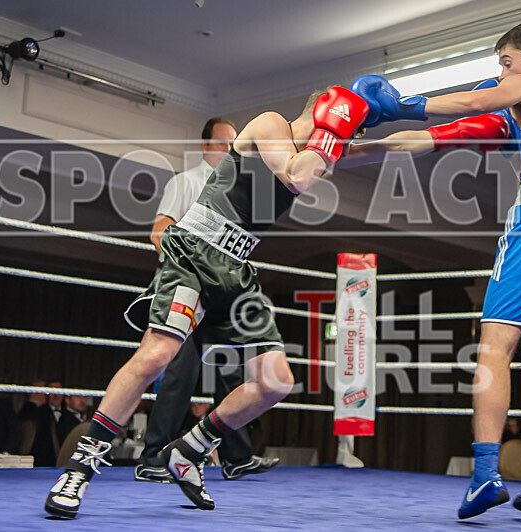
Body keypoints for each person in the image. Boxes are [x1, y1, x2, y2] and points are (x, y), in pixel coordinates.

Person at [44, 86, 370, 519]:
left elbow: (371, 154)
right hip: (194, 253)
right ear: (325, 112)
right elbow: (294, 175)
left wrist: (438, 128)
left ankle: (191, 450)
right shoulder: (272, 124)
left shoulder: (319, 153)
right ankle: (78, 469)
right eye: (344, 129)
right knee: (156, 356)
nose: (343, 141)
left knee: (275, 382)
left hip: (237, 269)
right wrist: (331, 134)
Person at [351, 22, 521, 517]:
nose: (501, 76)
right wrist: (359, 150)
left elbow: (467, 107)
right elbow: (479, 144)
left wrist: (397, 104)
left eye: (505, 63)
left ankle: (486, 475)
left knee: (493, 347)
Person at [136, 116, 278, 484]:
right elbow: (160, 231)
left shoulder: (239, 185)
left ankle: (236, 456)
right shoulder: (186, 182)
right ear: (204, 146)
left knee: (232, 370)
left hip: (223, 292)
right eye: (222, 143)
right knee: (179, 373)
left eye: (234, 144)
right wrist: (187, 272)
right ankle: (153, 458)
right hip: (188, 289)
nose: (229, 150)